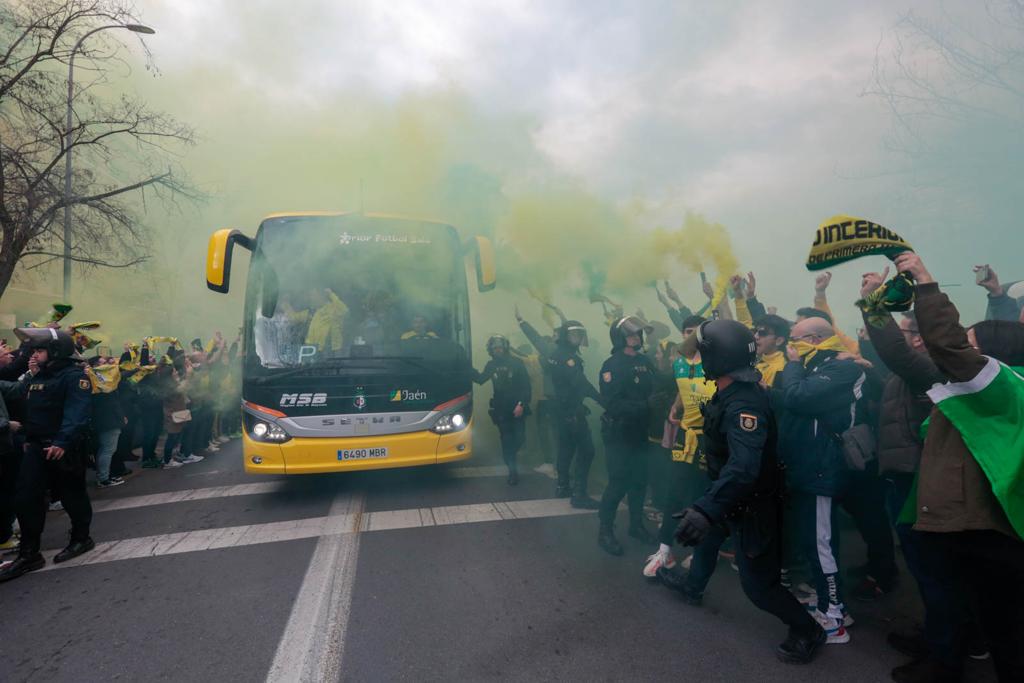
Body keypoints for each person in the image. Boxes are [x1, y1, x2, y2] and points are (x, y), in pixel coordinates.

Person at [657, 319, 826, 664]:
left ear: (716, 358)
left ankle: (808, 629)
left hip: (751, 504)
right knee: (706, 541)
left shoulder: (743, 404)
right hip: (728, 494)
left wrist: (706, 509)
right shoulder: (730, 389)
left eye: (704, 353)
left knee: (759, 586)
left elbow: (744, 467)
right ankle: (693, 587)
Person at [894, 251, 1024, 683]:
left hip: (994, 532)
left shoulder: (1006, 386)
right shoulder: (991, 389)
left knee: (1008, 633)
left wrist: (926, 286)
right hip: (978, 527)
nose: (959, 354)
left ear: (995, 357)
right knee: (989, 619)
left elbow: (945, 345)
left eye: (972, 347)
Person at [859, 267, 982, 681]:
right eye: (909, 330)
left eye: (914, 329)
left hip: (921, 482)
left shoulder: (937, 367)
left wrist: (875, 302)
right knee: (929, 571)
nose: (911, 336)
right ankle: (938, 637)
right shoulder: (911, 370)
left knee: (936, 574)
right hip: (907, 477)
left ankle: (945, 660)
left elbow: (894, 350)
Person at [778, 316, 865, 643]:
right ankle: (829, 600)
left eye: (795, 338)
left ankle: (833, 618)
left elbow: (797, 397)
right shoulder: (819, 367)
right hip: (806, 468)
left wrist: (793, 365)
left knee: (822, 544)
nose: (791, 344)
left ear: (813, 340)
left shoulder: (842, 368)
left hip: (822, 468)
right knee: (816, 541)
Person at [0, 328, 95, 583]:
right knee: (25, 497)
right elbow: (21, 396)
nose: (35, 354)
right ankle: (29, 554)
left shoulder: (74, 377)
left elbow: (77, 413)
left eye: (39, 350)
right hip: (36, 447)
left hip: (64, 448)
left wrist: (63, 441)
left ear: (54, 351)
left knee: (71, 495)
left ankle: (81, 538)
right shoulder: (39, 376)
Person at [643, 315, 715, 578]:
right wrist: (676, 406)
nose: (691, 336)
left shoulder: (718, 362)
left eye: (696, 331)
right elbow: (683, 390)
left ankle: (701, 552)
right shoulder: (680, 363)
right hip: (685, 438)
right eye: (687, 331)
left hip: (712, 441)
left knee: (702, 497)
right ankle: (664, 551)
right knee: (673, 494)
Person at [596, 316, 657, 555]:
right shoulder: (611, 365)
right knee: (618, 483)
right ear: (620, 338)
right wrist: (646, 405)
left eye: (638, 334)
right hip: (619, 433)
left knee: (640, 482)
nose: (637, 338)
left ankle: (636, 525)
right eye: (632, 335)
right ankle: (605, 531)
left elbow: (657, 386)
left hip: (641, 432)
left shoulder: (645, 360)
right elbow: (612, 403)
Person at [546, 320, 602, 509]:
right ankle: (579, 494)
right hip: (571, 411)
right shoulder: (568, 357)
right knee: (587, 450)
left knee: (566, 448)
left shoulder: (556, 354)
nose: (577, 338)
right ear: (564, 336)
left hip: (561, 410)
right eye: (573, 335)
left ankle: (563, 486)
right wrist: (603, 401)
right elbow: (581, 383)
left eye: (580, 334)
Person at [474, 335, 531, 485]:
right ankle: (513, 472)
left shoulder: (517, 363)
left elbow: (526, 386)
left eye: (500, 347)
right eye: (494, 348)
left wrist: (521, 404)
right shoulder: (491, 365)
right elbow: (480, 379)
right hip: (500, 409)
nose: (497, 350)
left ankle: (510, 456)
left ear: (505, 347)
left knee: (520, 438)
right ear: (490, 350)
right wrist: (464, 367)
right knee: (507, 440)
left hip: (517, 406)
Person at [86, 356, 126, 487]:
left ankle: (106, 475)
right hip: (107, 420)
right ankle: (103, 478)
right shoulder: (97, 382)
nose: (108, 366)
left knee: (107, 449)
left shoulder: (105, 381)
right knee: (107, 449)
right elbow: (110, 404)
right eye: (103, 364)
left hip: (108, 419)